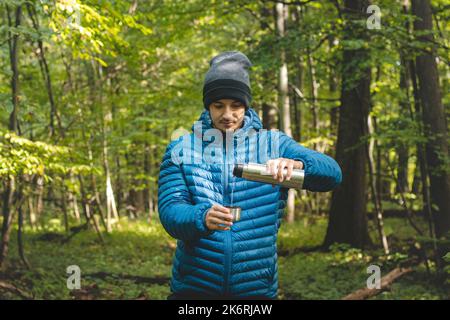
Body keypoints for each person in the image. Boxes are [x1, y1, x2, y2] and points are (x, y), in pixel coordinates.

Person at [158, 51, 342, 300]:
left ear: (246, 105)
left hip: (256, 289)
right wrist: (200, 216)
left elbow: (333, 174)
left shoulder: (273, 143)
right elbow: (170, 211)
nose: (227, 114)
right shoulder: (182, 148)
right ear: (207, 106)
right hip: (194, 289)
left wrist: (298, 163)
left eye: (236, 106)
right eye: (218, 105)